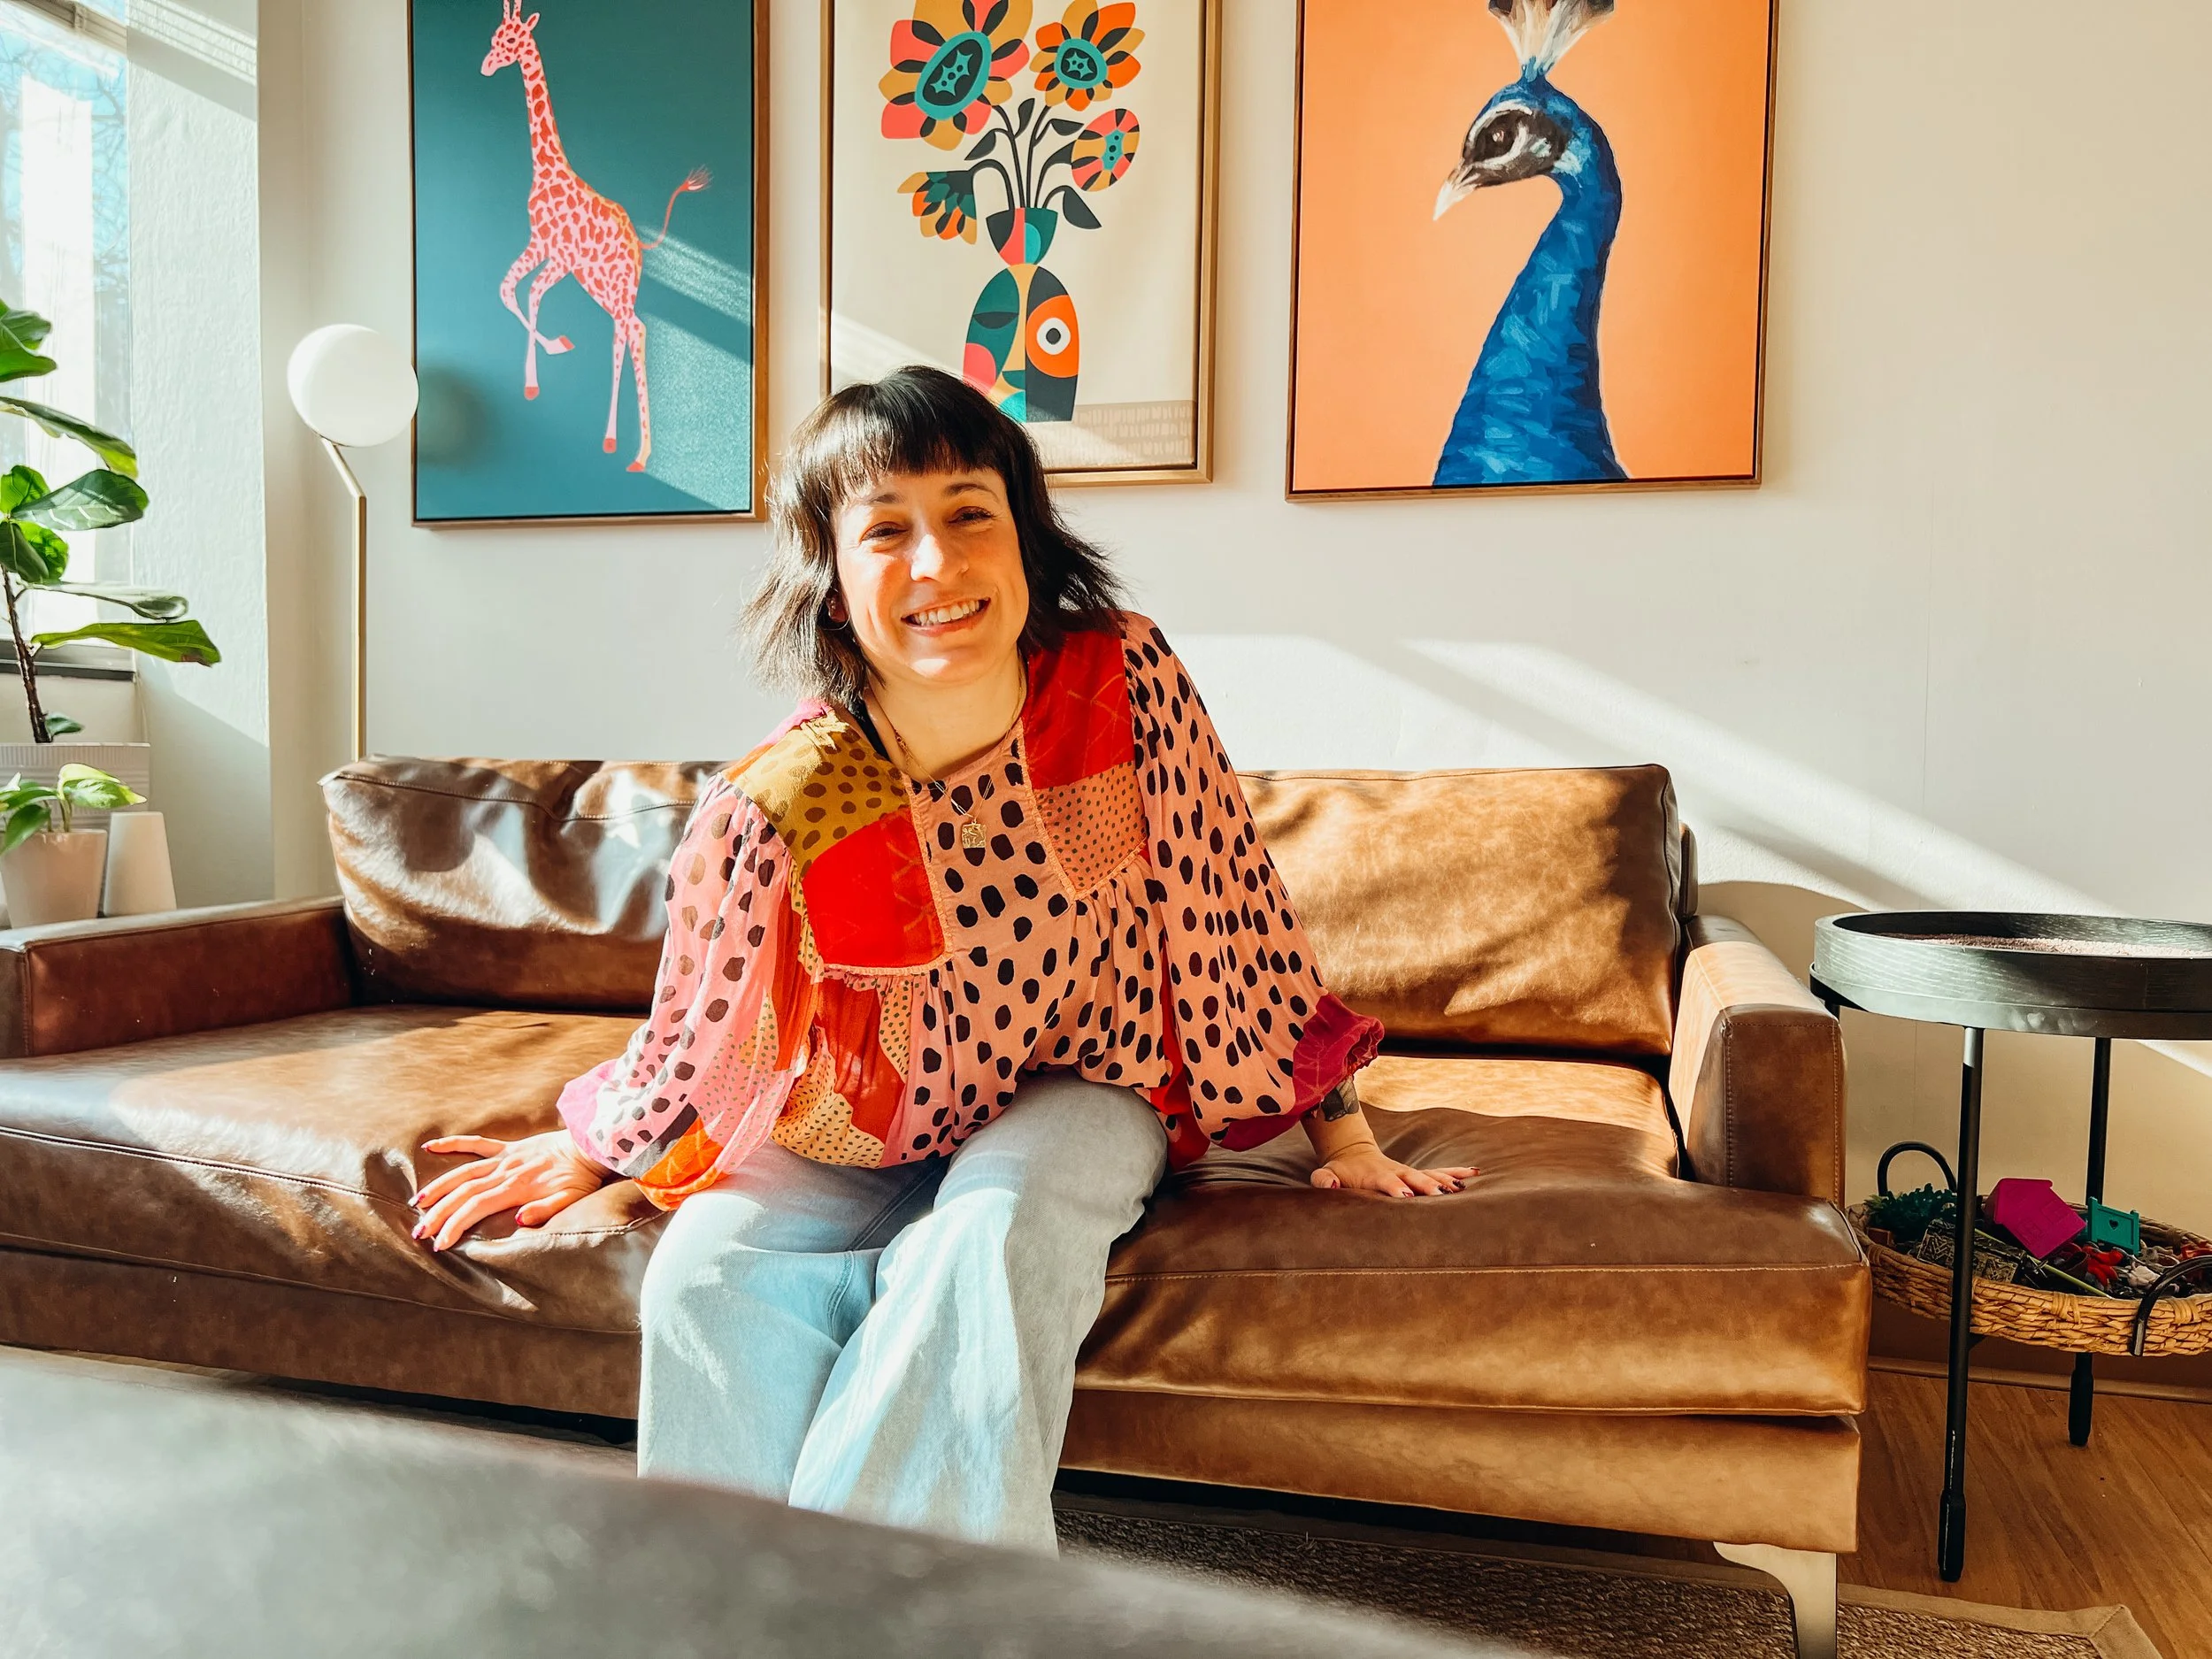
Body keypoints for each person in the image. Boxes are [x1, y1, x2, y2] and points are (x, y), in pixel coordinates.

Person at [406, 367, 1476, 1553]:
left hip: (1086, 1084)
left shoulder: (1122, 681)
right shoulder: (785, 800)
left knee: (995, 1230)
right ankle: (722, 1621)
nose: (936, 563)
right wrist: (593, 1142)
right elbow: (697, 1033)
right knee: (704, 1278)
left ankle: (902, 1620)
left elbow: (1233, 906)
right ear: (831, 579)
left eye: (971, 511)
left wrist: (1347, 1134)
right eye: (886, 529)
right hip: (859, 1113)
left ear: (1027, 534)